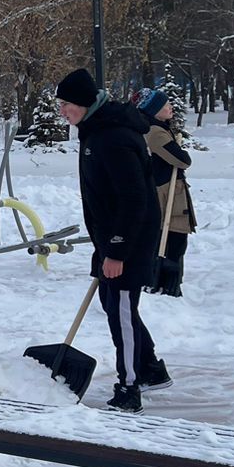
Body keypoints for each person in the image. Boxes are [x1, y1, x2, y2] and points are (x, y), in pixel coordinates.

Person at [56, 68, 167, 411]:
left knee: (121, 311)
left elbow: (134, 199)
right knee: (114, 304)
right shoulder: (95, 130)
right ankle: (149, 369)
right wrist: (104, 248)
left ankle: (130, 387)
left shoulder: (112, 137)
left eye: (66, 104)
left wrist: (117, 251)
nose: (62, 111)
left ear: (85, 103)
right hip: (113, 240)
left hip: (130, 242)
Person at [136, 88, 196, 297]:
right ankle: (164, 283)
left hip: (167, 190)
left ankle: (165, 280)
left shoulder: (157, 128)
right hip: (165, 193)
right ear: (154, 111)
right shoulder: (155, 132)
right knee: (172, 237)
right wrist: (180, 151)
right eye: (165, 106)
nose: (170, 108)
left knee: (171, 237)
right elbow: (182, 160)